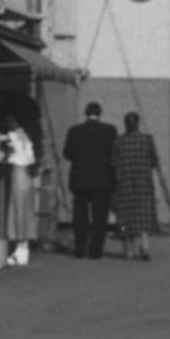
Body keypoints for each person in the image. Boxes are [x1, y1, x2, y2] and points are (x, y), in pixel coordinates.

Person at [110, 111, 170, 261]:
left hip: (124, 184)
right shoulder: (147, 140)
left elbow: (112, 164)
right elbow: (154, 162)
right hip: (143, 184)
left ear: (125, 124)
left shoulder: (118, 141)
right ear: (137, 124)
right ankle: (144, 245)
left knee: (124, 219)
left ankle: (128, 250)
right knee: (143, 218)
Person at [61, 103, 116, 260]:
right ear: (100, 113)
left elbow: (67, 153)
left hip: (80, 180)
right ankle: (96, 250)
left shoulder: (74, 131)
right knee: (100, 217)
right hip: (103, 180)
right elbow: (114, 153)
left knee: (80, 216)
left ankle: (79, 248)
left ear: (86, 113)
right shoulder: (110, 131)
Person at [0, 114, 38, 267]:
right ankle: (23, 249)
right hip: (27, 176)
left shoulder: (10, 136)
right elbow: (32, 159)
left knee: (17, 212)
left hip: (17, 175)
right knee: (25, 212)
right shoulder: (27, 137)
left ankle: (20, 251)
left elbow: (0, 156)